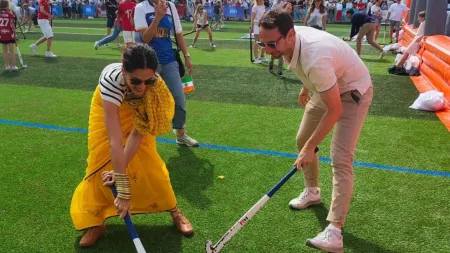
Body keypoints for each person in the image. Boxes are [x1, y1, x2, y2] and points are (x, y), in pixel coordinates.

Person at [258, 9, 373, 253]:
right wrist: (305, 87)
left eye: (271, 44)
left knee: (341, 158)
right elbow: (309, 70)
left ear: (290, 35)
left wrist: (312, 148)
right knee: (302, 138)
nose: (267, 49)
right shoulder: (292, 42)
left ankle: (335, 231)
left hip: (352, 91)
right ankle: (312, 192)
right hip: (328, 85)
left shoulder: (315, 57)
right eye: (262, 43)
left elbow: (335, 110)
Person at [70, 44, 194, 247]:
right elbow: (115, 139)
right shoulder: (111, 81)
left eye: (148, 80)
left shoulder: (155, 87)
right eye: (135, 80)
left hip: (136, 118)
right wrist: (122, 186)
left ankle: (174, 211)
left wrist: (119, 172)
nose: (142, 87)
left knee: (151, 164)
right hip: (109, 109)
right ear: (123, 71)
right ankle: (96, 222)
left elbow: (138, 133)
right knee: (98, 164)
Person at [134, 0, 199, 147]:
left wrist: (187, 55)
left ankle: (180, 134)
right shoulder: (141, 8)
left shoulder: (170, 6)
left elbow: (178, 34)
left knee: (179, 98)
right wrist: (157, 17)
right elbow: (145, 38)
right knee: (146, 102)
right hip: (149, 64)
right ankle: (141, 139)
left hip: (170, 60)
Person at [268, 1, 291, 77]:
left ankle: (280, 71)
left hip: (283, 38)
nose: (289, 10)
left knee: (281, 54)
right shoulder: (279, 16)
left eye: (290, 9)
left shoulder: (289, 18)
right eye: (288, 8)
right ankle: (270, 65)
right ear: (284, 8)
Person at [0, 0, 18, 71]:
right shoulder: (10, 14)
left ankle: (7, 66)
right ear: (7, 6)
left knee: (4, 51)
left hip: (2, 34)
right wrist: (15, 34)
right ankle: (13, 66)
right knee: (12, 51)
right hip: (10, 34)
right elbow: (12, 26)